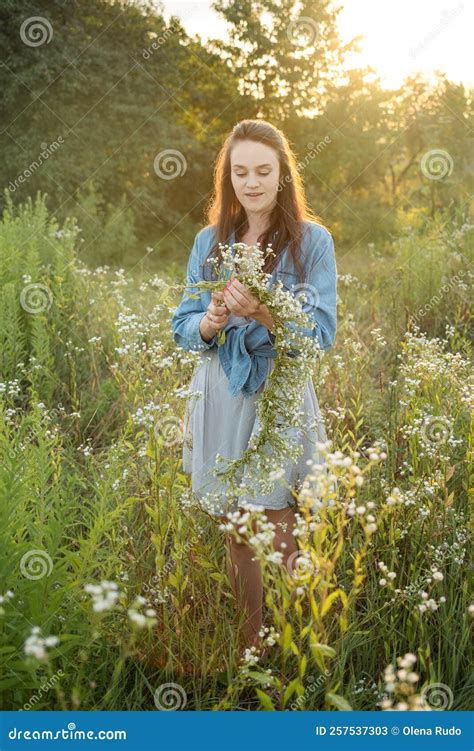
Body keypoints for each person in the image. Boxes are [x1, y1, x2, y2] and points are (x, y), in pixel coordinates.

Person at [171, 118, 337, 650]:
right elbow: (183, 325)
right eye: (240, 172)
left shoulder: (312, 242)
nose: (252, 182)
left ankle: (302, 639)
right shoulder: (209, 240)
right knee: (235, 520)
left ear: (283, 174)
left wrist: (268, 314)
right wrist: (211, 321)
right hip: (221, 388)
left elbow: (322, 333)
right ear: (229, 179)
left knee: (278, 515)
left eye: (263, 170)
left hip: (278, 389)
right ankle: (252, 642)